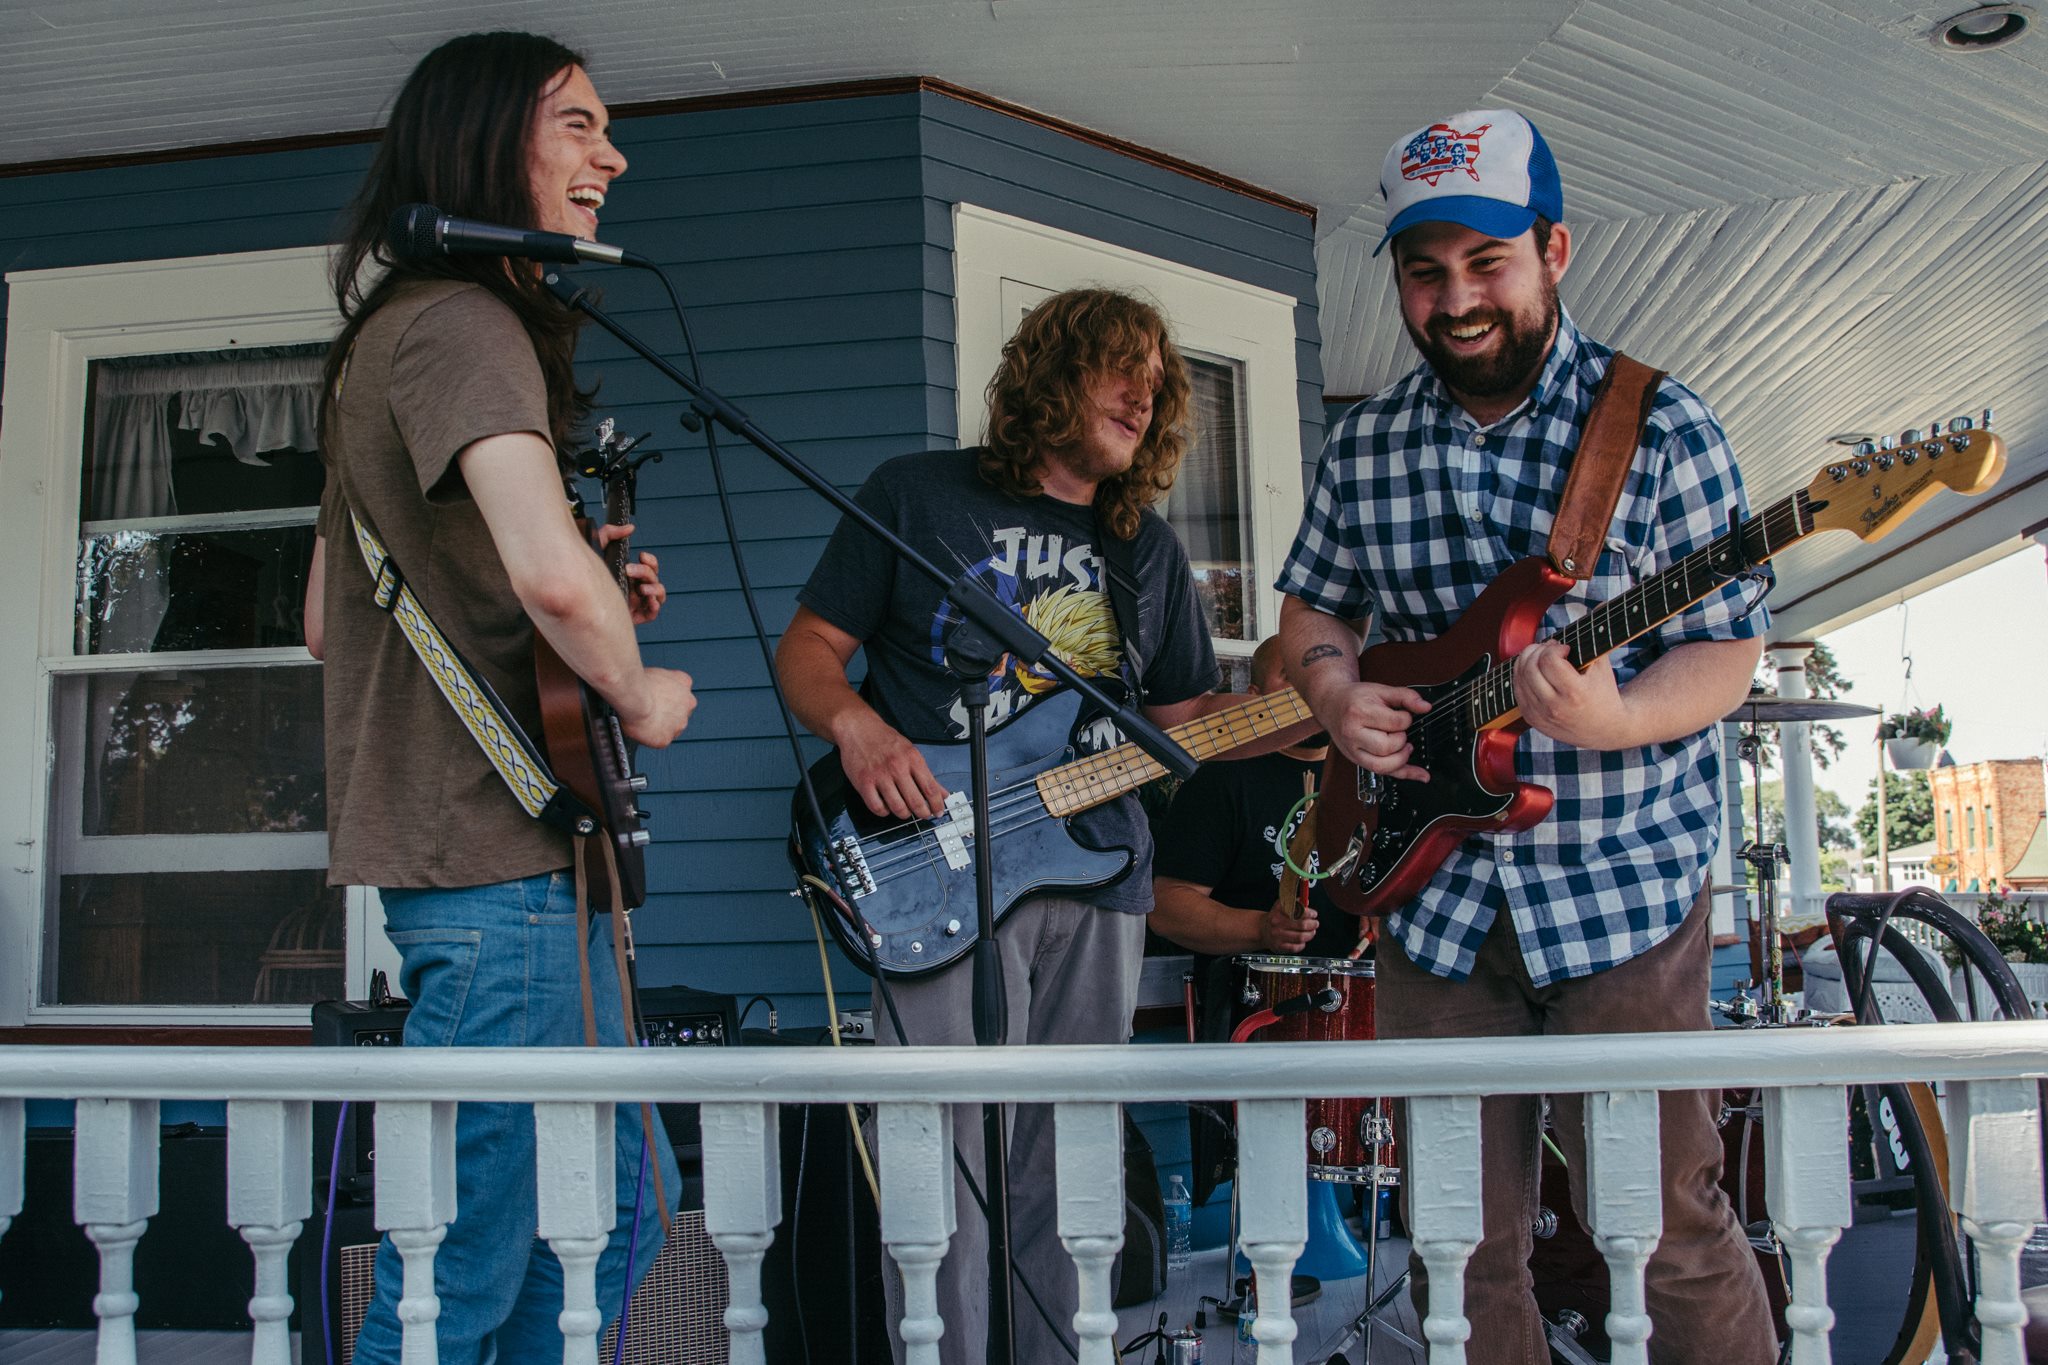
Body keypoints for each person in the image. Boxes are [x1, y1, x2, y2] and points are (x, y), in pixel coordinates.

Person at [1275, 108, 1777, 1363]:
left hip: (1620, 884)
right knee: (1460, 1242)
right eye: (1423, 271)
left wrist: (1618, 715)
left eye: (1485, 264)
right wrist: (1336, 695)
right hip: (1431, 895)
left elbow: (1723, 645)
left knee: (1663, 1224)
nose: (1454, 300)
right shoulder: (1366, 444)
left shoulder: (1661, 429)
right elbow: (1311, 612)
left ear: (1552, 249)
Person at [305, 32, 696, 1365]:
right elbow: (548, 575)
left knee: (619, 1215)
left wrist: (582, 605)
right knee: (461, 1269)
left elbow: (325, 619)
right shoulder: (465, 325)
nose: (613, 156)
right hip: (495, 878)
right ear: (485, 140)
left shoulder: (381, 345)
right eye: (580, 125)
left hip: (515, 872)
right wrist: (633, 684)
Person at [775, 287, 1234, 1364]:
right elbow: (807, 647)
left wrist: (1316, 707)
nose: (1143, 394)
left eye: (1157, 383)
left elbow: (1179, 726)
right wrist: (857, 730)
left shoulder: (1145, 550)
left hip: (1099, 876)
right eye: (1122, 367)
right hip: (928, 862)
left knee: (1064, 1168)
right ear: (1054, 369)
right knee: (937, 1159)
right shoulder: (918, 494)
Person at [1152, 635, 1357, 964]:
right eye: (1292, 677)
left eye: (1326, 675)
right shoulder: (1223, 777)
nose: (1313, 689)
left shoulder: (1369, 774)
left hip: (1370, 997)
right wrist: (1261, 928)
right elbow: (1167, 907)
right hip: (1256, 1000)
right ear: (1254, 699)